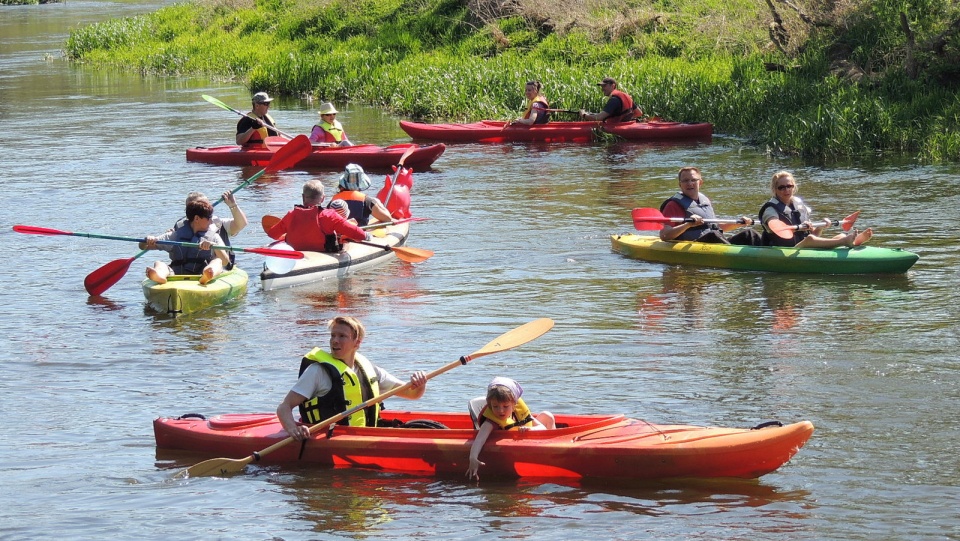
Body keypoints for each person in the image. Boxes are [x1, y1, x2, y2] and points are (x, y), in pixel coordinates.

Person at [276, 316, 428, 439]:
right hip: (328, 439)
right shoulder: (317, 372)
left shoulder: (371, 371)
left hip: (366, 436)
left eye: (342, 336)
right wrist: (293, 429)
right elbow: (284, 407)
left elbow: (412, 394)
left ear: (357, 343)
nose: (335, 340)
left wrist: (420, 384)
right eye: (333, 335)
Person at [466, 377, 555, 481]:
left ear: (514, 404)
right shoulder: (491, 422)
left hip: (528, 443)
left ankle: (553, 456)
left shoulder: (518, 411)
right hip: (516, 451)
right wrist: (472, 458)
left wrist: (529, 430)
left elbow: (543, 428)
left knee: (547, 416)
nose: (501, 411)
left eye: (505, 406)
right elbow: (479, 440)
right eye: (495, 406)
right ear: (490, 406)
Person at [759, 171, 873, 248]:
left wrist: (819, 227)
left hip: (804, 245)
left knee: (840, 235)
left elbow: (814, 234)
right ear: (775, 189)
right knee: (810, 239)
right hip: (786, 250)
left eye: (789, 186)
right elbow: (775, 226)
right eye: (782, 187)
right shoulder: (770, 209)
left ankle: (852, 241)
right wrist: (797, 229)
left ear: (794, 186)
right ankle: (846, 242)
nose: (786, 190)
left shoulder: (798, 204)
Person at [659, 166, 762, 245]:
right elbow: (664, 235)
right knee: (713, 235)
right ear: (680, 185)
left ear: (700, 183)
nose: (690, 183)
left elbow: (715, 227)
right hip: (693, 246)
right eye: (685, 181)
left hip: (714, 242)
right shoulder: (673, 205)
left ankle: (771, 251)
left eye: (693, 180)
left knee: (749, 234)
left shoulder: (705, 200)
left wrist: (740, 223)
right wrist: (688, 224)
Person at [140, 199, 231, 285]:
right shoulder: (175, 235)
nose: (211, 221)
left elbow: (225, 261)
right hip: (177, 273)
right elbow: (143, 246)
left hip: (202, 272)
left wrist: (213, 246)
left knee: (217, 261)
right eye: (209, 218)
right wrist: (147, 240)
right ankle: (159, 276)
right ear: (196, 219)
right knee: (159, 263)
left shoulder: (213, 237)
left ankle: (208, 275)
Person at [267, 179, 370, 252]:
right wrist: (366, 236)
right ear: (323, 198)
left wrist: (289, 233)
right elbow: (357, 234)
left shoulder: (290, 215)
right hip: (323, 254)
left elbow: (272, 234)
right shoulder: (330, 216)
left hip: (296, 255)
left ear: (303, 197)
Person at [174, 191, 248, 269]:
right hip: (188, 271)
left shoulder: (218, 223)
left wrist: (232, 205)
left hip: (218, 269)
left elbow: (241, 224)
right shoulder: (180, 226)